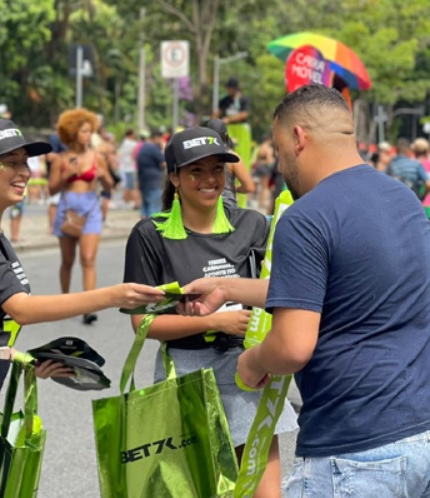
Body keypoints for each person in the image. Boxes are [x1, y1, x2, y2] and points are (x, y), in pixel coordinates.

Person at [181, 84, 430, 497]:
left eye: (280, 148)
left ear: (299, 138)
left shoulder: (306, 217)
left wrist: (251, 363)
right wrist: (227, 286)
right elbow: (341, 288)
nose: (282, 163)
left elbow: (292, 346)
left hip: (364, 446)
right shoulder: (403, 198)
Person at [0, 119, 163, 497]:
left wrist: (26, 360)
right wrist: (114, 295)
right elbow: (20, 309)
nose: (24, 172)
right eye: (9, 162)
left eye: (26, 162)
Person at [124, 126, 298, 497]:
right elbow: (142, 323)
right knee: (196, 489)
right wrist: (215, 320)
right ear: (173, 176)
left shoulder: (252, 225)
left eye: (217, 169)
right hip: (185, 373)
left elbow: (277, 291)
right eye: (195, 171)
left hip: (248, 370)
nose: (209, 180)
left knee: (264, 493)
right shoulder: (149, 235)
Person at [48, 109, 113, 325]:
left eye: (90, 131)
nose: (88, 135)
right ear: (73, 133)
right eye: (84, 131)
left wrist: (104, 179)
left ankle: (89, 307)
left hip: (91, 208)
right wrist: (66, 175)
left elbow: (110, 185)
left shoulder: (97, 157)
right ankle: (65, 302)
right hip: (68, 210)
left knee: (88, 259)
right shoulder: (62, 159)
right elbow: (51, 190)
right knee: (67, 260)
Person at [205, 118, 256, 207]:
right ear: (225, 136)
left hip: (204, 206)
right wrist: (233, 189)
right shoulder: (232, 157)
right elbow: (249, 187)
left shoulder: (199, 156)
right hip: (227, 207)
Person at [136, 129, 166, 219]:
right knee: (155, 207)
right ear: (157, 138)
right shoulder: (153, 148)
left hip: (143, 179)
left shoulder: (144, 147)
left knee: (145, 207)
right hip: (153, 180)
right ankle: (152, 230)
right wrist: (164, 148)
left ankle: (143, 229)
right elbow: (163, 163)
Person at [117, 128, 140, 210]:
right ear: (132, 135)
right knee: (133, 187)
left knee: (128, 186)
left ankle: (127, 202)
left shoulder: (123, 143)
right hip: (132, 168)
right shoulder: (133, 144)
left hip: (125, 167)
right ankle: (136, 203)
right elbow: (134, 156)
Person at [253, 135, 275, 210]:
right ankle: (263, 202)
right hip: (265, 168)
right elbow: (269, 161)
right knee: (265, 187)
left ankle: (259, 201)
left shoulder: (260, 147)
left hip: (259, 167)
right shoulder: (268, 149)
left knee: (261, 185)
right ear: (268, 140)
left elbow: (256, 159)